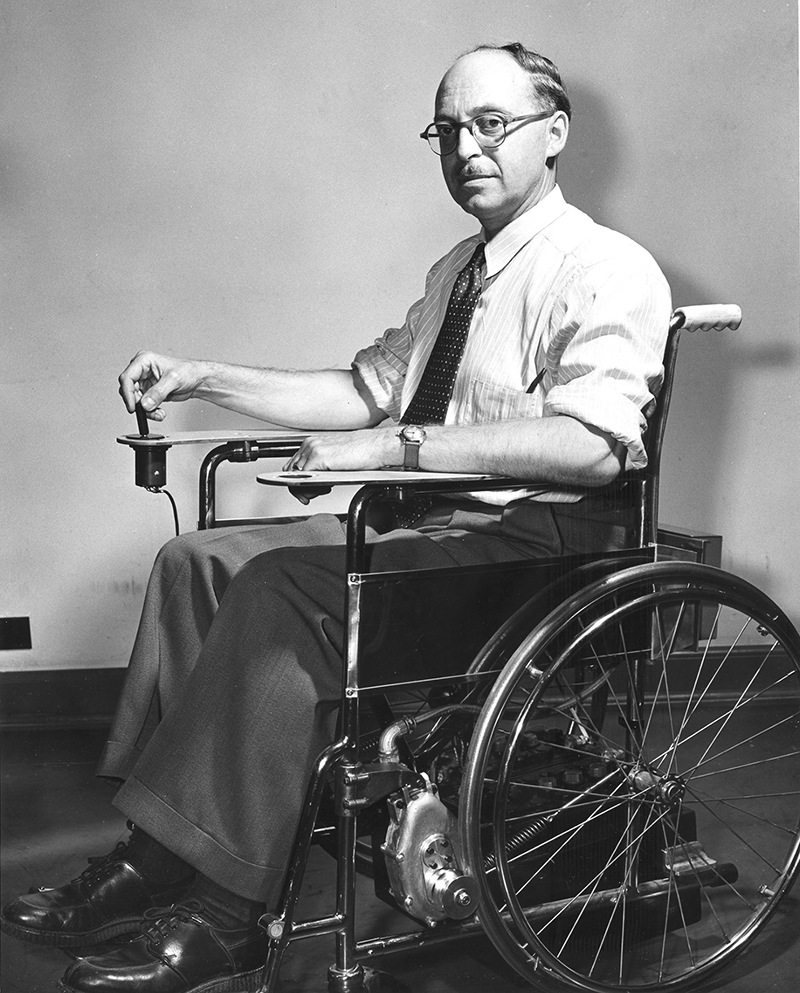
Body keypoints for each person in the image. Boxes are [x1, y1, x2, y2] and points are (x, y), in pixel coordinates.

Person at [1, 43, 671, 993]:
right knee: (198, 560)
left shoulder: (608, 268)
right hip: (432, 533)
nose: (466, 149)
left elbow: (595, 445)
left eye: (492, 125)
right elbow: (366, 390)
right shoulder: (458, 272)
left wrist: (397, 452)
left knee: (285, 588)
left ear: (554, 133)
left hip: (530, 552)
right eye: (448, 130)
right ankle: (167, 850)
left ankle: (227, 913)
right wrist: (205, 376)